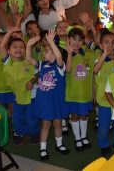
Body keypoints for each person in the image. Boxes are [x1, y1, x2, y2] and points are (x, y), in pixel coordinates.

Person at [26, 30, 70, 160]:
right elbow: (28, 58)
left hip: (56, 103)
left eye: (47, 51)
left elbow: (59, 57)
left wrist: (51, 41)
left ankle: (59, 144)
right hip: (45, 103)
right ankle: (43, 148)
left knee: (57, 124)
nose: (44, 53)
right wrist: (29, 45)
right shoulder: (42, 65)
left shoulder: (59, 67)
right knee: (45, 125)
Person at [0, 27, 39, 145]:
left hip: (31, 96)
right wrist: (10, 32)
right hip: (17, 97)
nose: (18, 49)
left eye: (21, 47)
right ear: (9, 51)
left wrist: (32, 82)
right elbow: (1, 46)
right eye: (14, 47)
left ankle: (34, 133)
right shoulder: (8, 63)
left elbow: (38, 74)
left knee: (31, 118)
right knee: (17, 119)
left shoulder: (28, 61)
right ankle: (19, 133)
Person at [65, 28, 95, 151]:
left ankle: (83, 136)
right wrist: (69, 54)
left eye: (80, 40)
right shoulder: (64, 54)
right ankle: (77, 138)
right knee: (75, 116)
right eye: (74, 39)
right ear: (68, 40)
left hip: (85, 94)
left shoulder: (88, 54)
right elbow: (67, 70)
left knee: (84, 115)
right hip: (71, 93)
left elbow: (94, 72)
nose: (76, 42)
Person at [93, 30, 114, 157]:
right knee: (103, 126)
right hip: (104, 101)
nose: (110, 45)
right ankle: (104, 145)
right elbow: (95, 69)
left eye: (113, 43)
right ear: (101, 45)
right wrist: (105, 55)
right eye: (106, 43)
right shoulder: (99, 59)